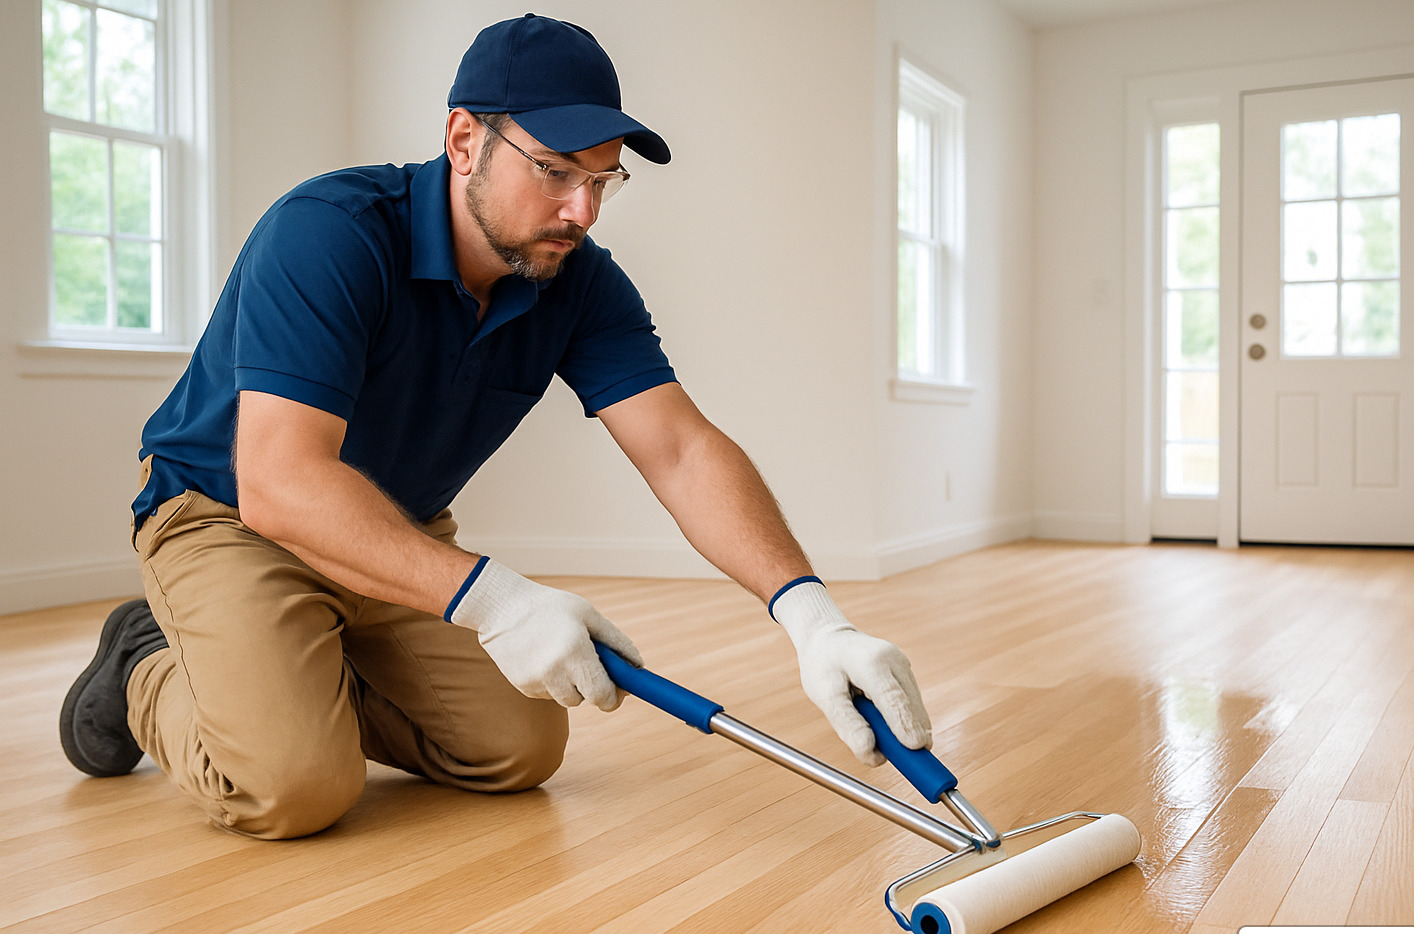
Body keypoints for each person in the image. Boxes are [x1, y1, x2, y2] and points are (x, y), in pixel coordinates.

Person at [59, 14, 931, 840]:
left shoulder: (579, 282)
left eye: (602, 180)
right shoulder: (327, 234)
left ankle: (291, 676)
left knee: (517, 748)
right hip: (229, 518)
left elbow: (680, 449)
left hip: (389, 533)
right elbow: (281, 483)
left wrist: (815, 619)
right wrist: (499, 599)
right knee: (293, 787)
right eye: (555, 170)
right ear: (464, 141)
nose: (582, 211)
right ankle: (146, 659)